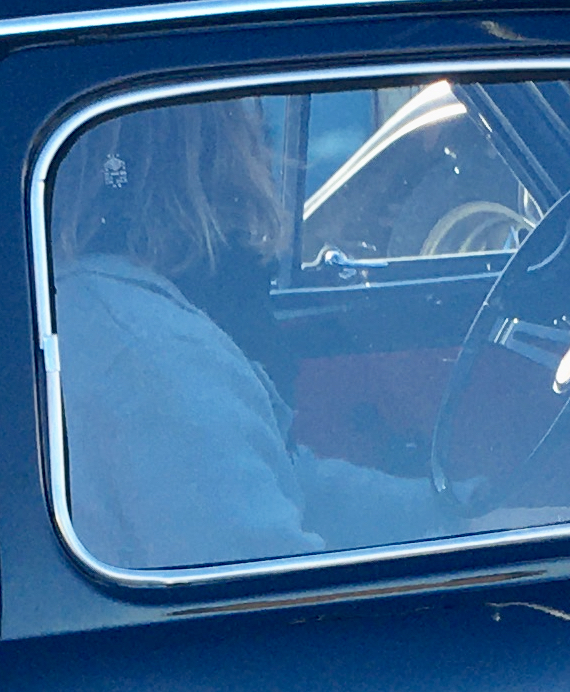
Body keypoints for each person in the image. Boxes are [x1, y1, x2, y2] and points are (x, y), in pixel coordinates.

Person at [51, 98, 450, 569]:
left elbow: (289, 483)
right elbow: (267, 581)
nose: (263, 144)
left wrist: (454, 518)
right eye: (246, 122)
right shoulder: (155, 354)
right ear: (211, 158)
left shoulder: (112, 315)